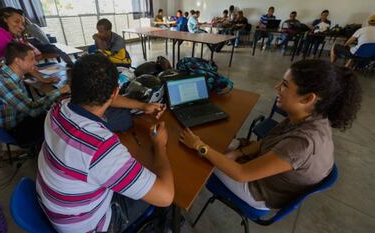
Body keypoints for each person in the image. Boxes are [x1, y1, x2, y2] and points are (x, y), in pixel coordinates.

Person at [179, 59, 361, 210]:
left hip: (259, 191)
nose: (276, 88)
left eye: (284, 85)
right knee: (218, 143)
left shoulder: (303, 143)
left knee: (199, 157)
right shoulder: (308, 116)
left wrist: (199, 146)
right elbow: (268, 142)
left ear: (307, 98)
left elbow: (242, 173)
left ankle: (177, 202)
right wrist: (237, 153)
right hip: (266, 173)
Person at [36, 53, 174, 233]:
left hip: (58, 208)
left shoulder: (58, 108)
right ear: (115, 91)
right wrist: (160, 145)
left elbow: (109, 98)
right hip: (90, 226)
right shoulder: (101, 148)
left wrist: (142, 106)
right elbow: (165, 195)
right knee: (169, 195)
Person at [0, 42, 69, 145]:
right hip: (14, 130)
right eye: (31, 59)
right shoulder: (4, 83)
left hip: (16, 119)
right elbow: (33, 110)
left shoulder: (5, 74)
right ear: (18, 61)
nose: (35, 62)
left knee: (52, 111)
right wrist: (59, 91)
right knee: (61, 120)